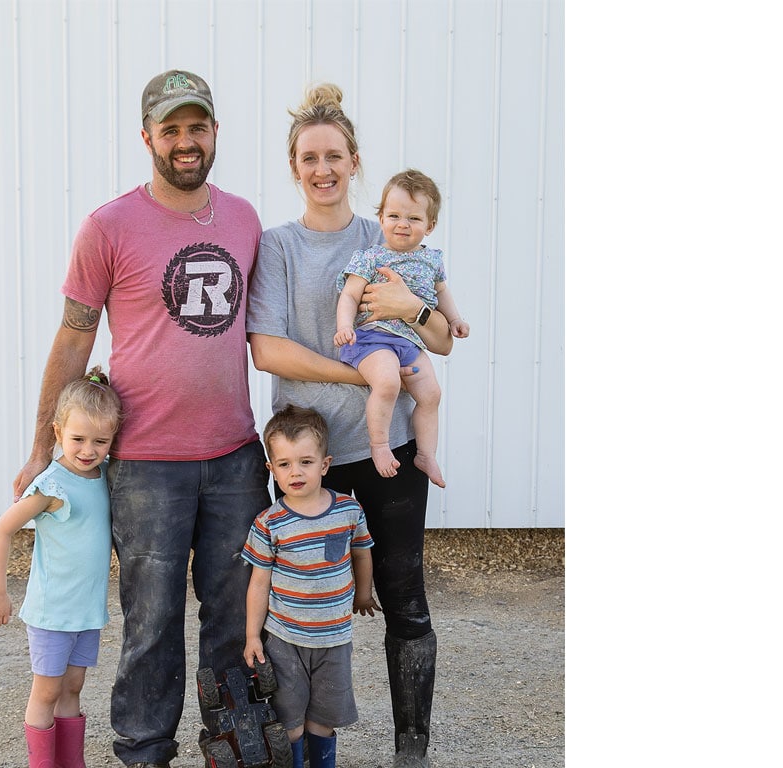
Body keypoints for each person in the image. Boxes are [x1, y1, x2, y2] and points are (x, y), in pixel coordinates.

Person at [11, 69, 271, 768]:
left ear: (215, 132)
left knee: (234, 616)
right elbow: (75, 337)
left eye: (197, 127)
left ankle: (232, 749)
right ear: (147, 136)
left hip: (236, 456)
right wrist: (41, 446)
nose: (186, 141)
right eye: (171, 129)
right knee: (152, 621)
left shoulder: (244, 219)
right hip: (146, 464)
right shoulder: (108, 226)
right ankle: (144, 753)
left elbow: (267, 330)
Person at [245, 82, 451, 768]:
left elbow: (441, 341)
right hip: (307, 458)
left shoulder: (389, 234)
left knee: (404, 597)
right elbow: (267, 349)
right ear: (294, 167)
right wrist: (364, 375)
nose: (323, 168)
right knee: (299, 602)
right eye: (309, 157)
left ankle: (411, 750)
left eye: (334, 155)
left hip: (388, 447)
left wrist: (413, 311)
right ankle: (302, 746)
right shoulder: (278, 247)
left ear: (355, 161)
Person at [0, 366, 123, 768]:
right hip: (52, 611)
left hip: (86, 610)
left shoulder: (103, 477)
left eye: (100, 441)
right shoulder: (52, 485)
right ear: (58, 432)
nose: (88, 450)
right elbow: (2, 530)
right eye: (78, 439)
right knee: (46, 691)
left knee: (73, 687)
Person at [241, 404, 379, 768]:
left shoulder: (348, 511)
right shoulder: (269, 523)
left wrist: (364, 592)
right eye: (284, 464)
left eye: (305, 462)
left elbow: (362, 553)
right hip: (285, 638)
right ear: (271, 469)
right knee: (290, 721)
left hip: (334, 638)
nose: (295, 472)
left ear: (325, 464)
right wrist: (253, 636)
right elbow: (259, 584)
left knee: (323, 719)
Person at [334, 169, 471, 489]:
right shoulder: (371, 257)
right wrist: (344, 325)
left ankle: (426, 454)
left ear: (430, 226)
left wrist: (455, 319)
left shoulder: (432, 260)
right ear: (381, 218)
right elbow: (350, 295)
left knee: (431, 393)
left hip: (410, 342)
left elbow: (441, 293)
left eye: (413, 218)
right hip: (372, 339)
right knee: (387, 382)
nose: (402, 224)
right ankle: (379, 445)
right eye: (394, 215)